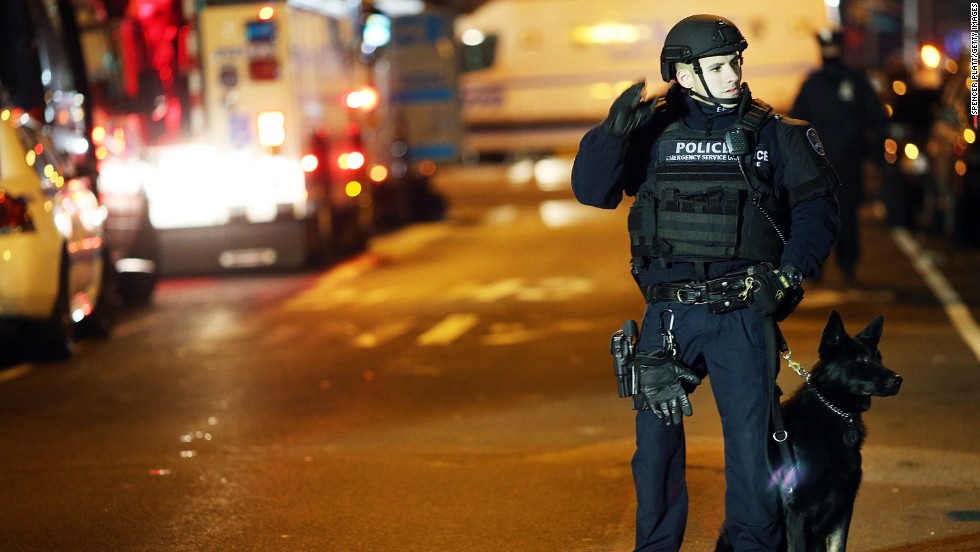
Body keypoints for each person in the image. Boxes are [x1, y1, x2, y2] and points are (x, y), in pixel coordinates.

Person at [570, 14, 840, 552]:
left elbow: (817, 209)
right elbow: (592, 191)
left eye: (736, 61)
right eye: (718, 65)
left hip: (740, 313)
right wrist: (610, 133)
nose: (734, 73)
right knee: (654, 455)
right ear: (685, 75)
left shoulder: (775, 135)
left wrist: (788, 274)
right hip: (668, 317)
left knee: (750, 452)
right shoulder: (650, 134)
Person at [790, 29, 888, 284]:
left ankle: (847, 266)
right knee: (817, 216)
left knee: (845, 218)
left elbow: (876, 119)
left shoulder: (855, 82)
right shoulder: (813, 84)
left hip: (846, 164)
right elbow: (794, 124)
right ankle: (818, 267)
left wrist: (877, 154)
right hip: (819, 166)